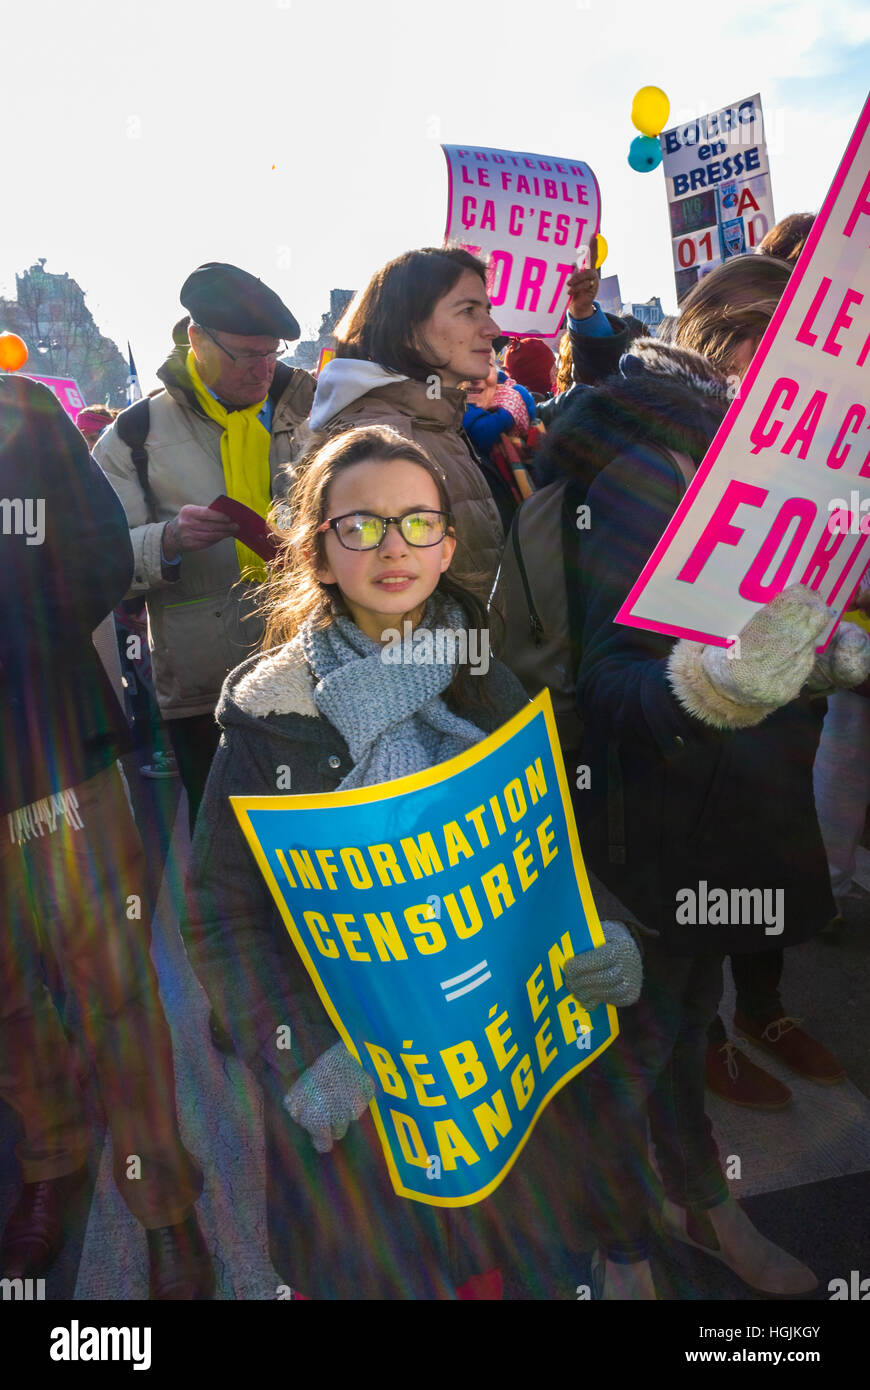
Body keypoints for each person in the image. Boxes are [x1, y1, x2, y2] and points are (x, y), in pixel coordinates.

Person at [181, 424, 641, 1299]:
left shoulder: (488, 678)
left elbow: (547, 853)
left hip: (500, 1078)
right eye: (360, 526)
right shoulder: (272, 716)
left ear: (449, 543)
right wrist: (304, 1054)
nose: (392, 547)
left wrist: (603, 932)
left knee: (505, 1271)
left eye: (417, 522)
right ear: (318, 555)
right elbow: (221, 915)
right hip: (362, 1105)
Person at [533, 254, 861, 1298]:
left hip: (719, 816)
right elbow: (611, 688)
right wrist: (717, 680)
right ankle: (617, 1246)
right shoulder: (647, 463)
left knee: (675, 1035)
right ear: (730, 343)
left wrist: (821, 656)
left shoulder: (766, 469)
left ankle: (697, 1204)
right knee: (625, 1059)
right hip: (639, 825)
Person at [0, 374, 212, 1298]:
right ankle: (49, 1162)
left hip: (52, 764)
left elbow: (92, 561)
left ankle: (164, 1207)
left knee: (113, 997)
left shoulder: (25, 416)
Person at [94, 262, 315, 829]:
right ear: (196, 338)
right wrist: (165, 541)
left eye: (272, 353)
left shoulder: (315, 409)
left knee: (315, 836)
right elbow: (100, 559)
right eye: (246, 354)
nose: (264, 369)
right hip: (202, 686)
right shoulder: (133, 435)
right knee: (225, 839)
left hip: (313, 668)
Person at [307, 247, 505, 593]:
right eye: (468, 311)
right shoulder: (381, 440)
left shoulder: (435, 420)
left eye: (487, 310)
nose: (492, 328)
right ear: (408, 329)